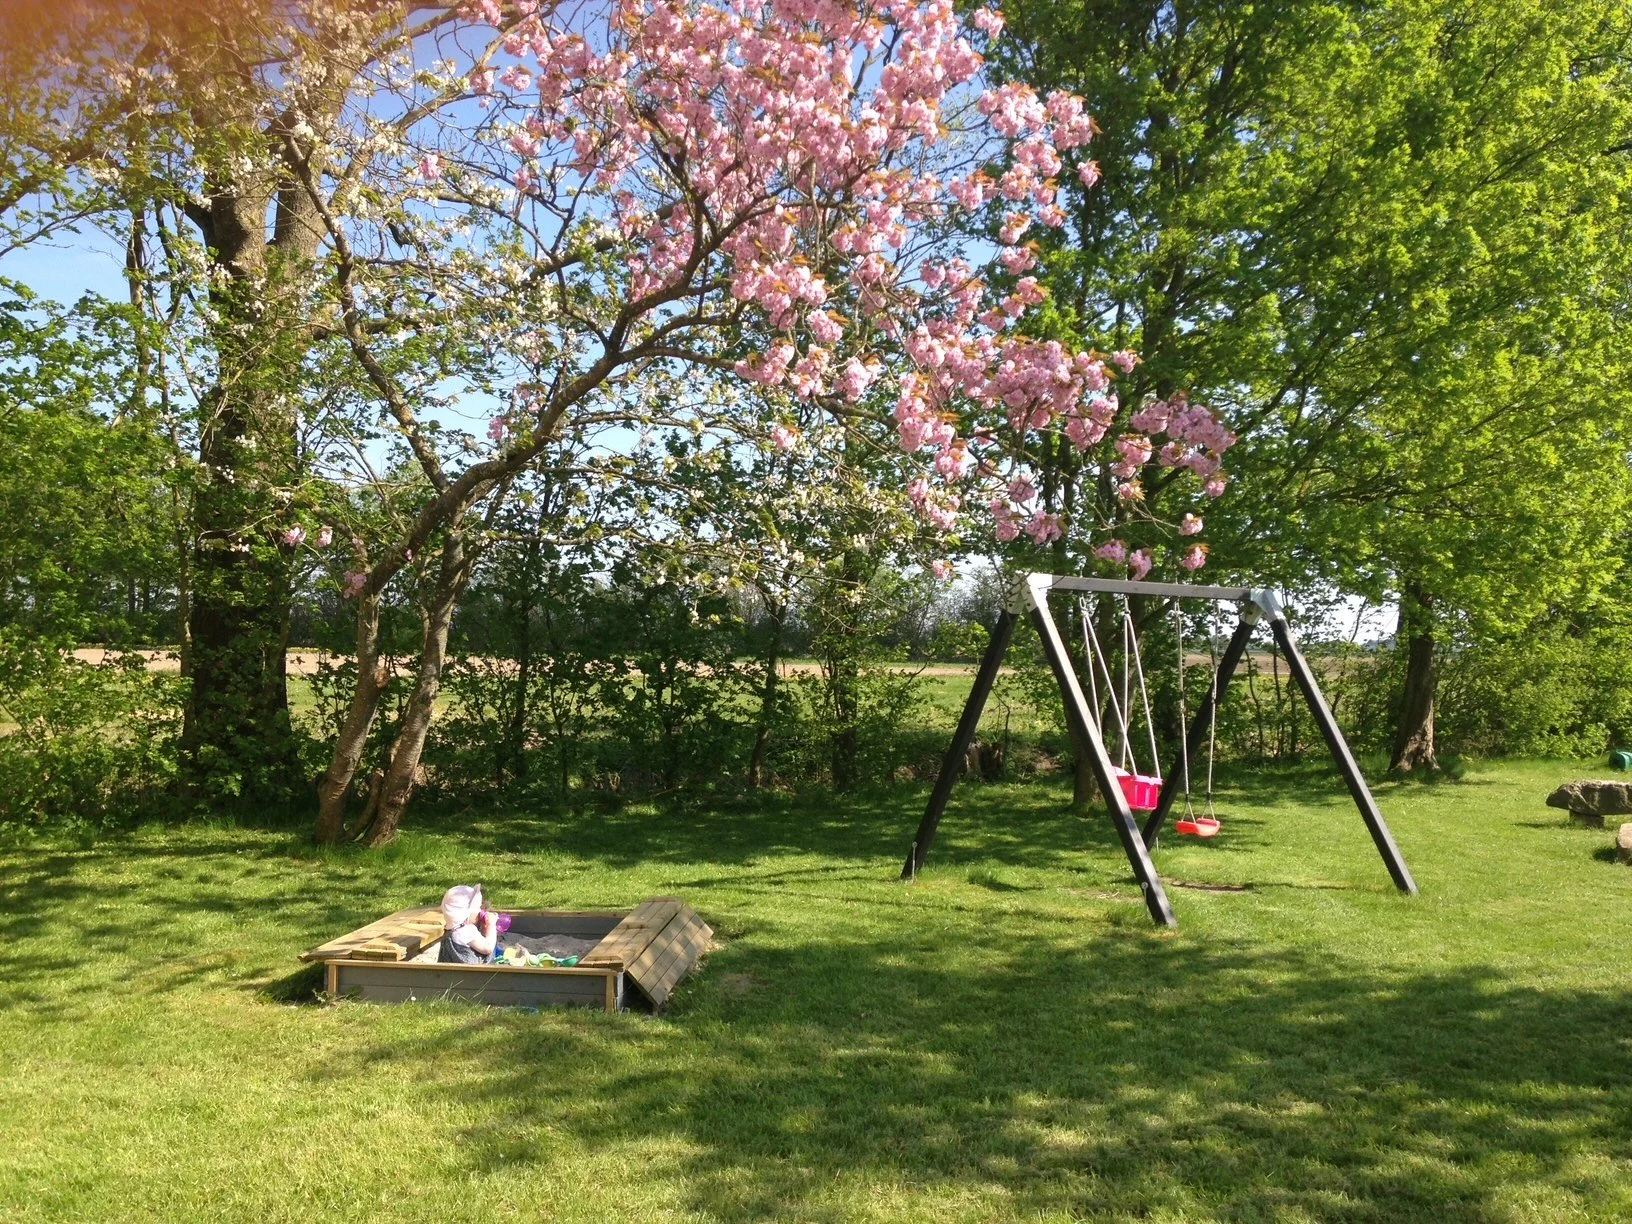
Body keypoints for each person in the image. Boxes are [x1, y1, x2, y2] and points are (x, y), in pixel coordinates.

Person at [439, 884, 498, 964]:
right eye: (477, 909)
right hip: (472, 974)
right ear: (466, 914)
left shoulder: (450, 931)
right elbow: (487, 948)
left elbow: (481, 941)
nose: (479, 912)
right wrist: (491, 925)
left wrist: (484, 929)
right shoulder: (468, 931)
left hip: (450, 974)